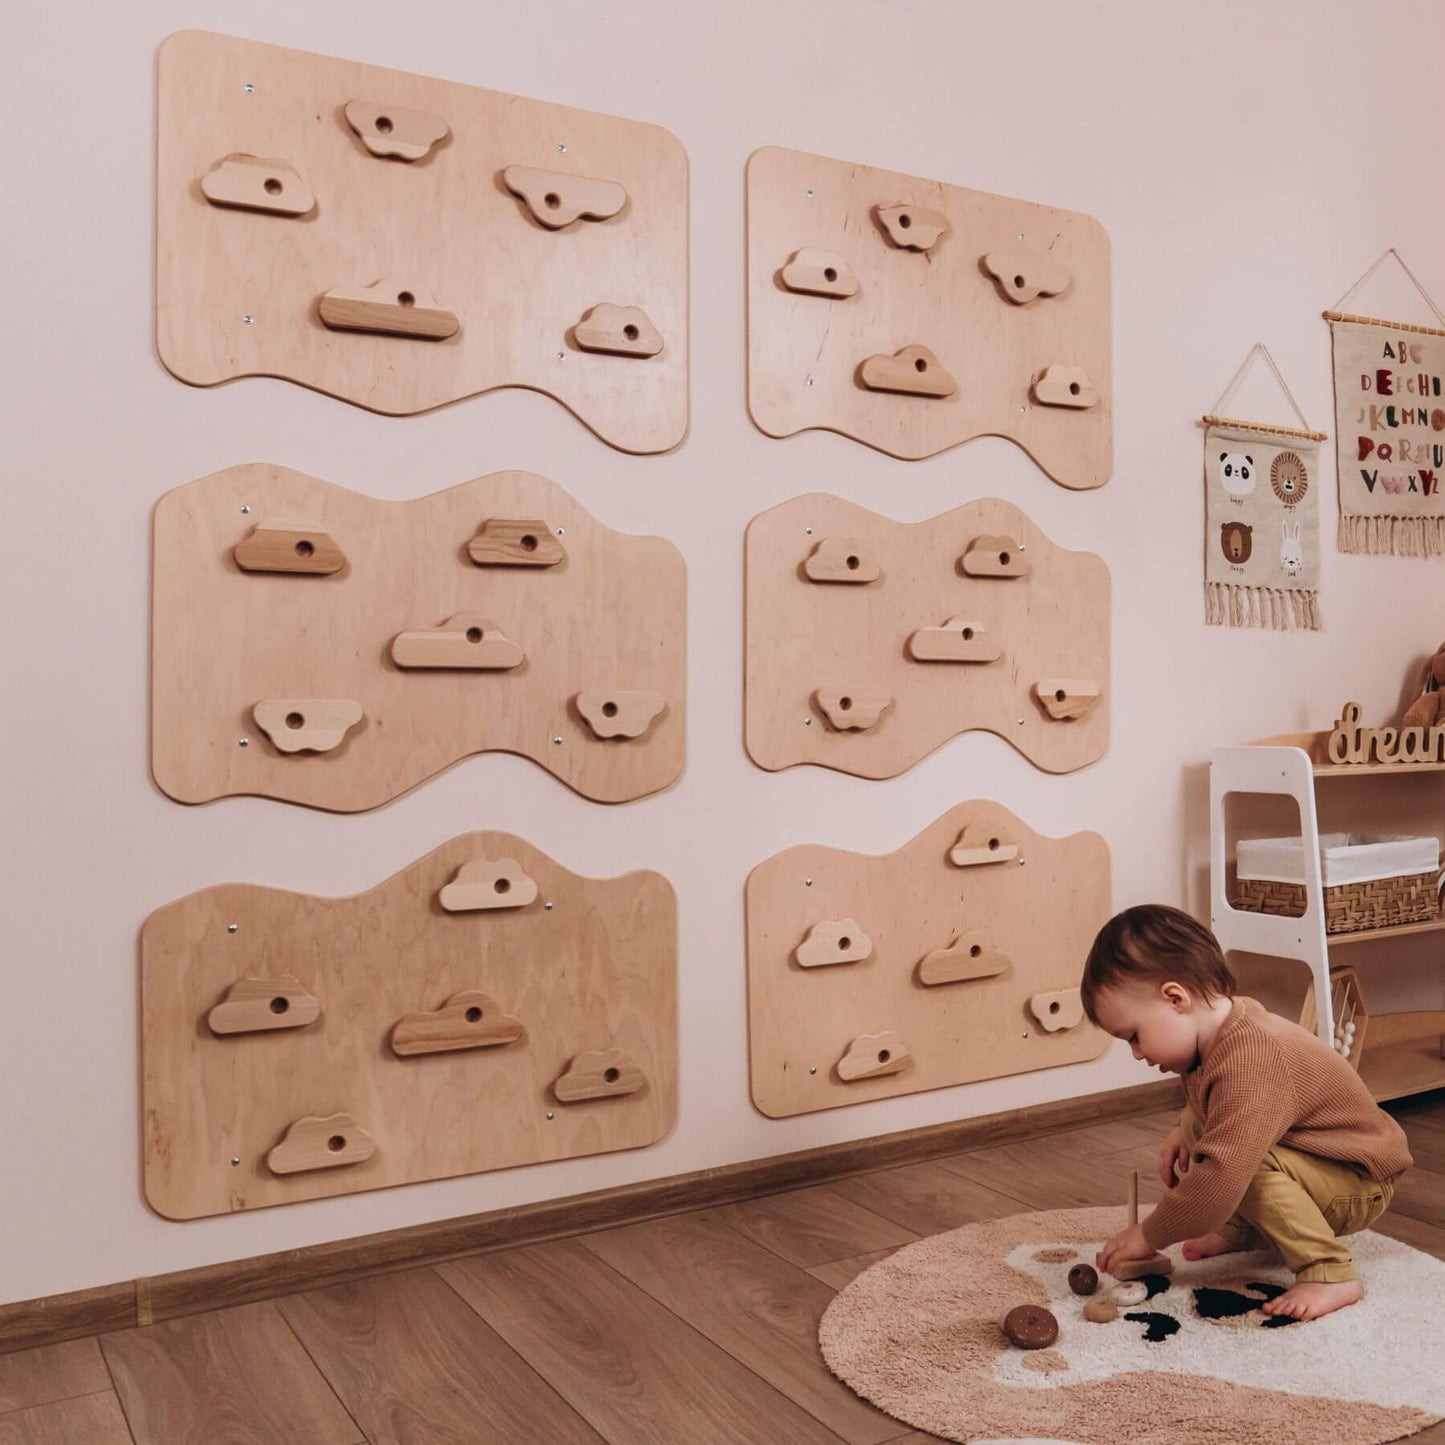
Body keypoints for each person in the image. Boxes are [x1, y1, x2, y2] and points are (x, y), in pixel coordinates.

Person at [1081, 904, 1412, 1321]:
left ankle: (1329, 1272)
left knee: (1234, 1167)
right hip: (1321, 1163)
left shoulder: (1252, 1058)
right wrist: (1184, 1129)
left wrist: (1150, 1234)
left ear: (1175, 998)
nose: (1137, 1053)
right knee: (1219, 1141)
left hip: (1360, 1180)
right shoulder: (1217, 1037)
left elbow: (1221, 1175)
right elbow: (1216, 1102)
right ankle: (1243, 1230)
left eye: (1134, 1036)